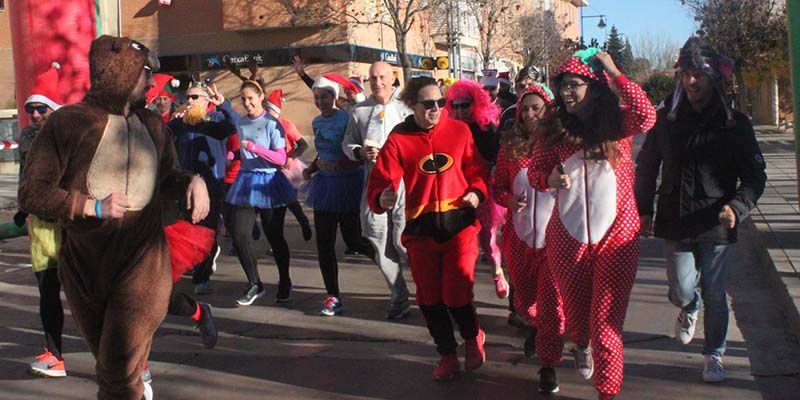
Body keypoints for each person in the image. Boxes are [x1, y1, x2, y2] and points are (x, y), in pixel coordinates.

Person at [18, 35, 210, 400]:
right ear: (120, 72)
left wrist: (193, 180)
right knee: (114, 372)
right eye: (144, 74)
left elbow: (168, 177)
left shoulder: (153, 125)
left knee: (117, 370)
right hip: (85, 266)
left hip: (143, 262)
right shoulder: (68, 124)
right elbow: (31, 193)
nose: (152, 82)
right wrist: (88, 206)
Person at [635, 37, 766, 383]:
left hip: (716, 222)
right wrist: (643, 209)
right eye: (686, 74)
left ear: (714, 79)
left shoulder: (734, 123)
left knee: (715, 290)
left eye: (699, 75)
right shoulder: (667, 118)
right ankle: (688, 307)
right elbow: (647, 165)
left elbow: (755, 176)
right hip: (675, 218)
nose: (691, 82)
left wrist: (737, 207)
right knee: (681, 289)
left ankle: (714, 355)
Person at [527, 48, 656, 400]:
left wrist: (615, 71)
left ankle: (607, 393)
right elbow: (536, 173)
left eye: (574, 85)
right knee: (580, 324)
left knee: (606, 326)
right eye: (562, 86)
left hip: (617, 236)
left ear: (593, 87)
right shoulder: (553, 131)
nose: (566, 92)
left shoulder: (618, 124)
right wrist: (550, 178)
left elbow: (647, 116)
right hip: (567, 240)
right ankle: (579, 344)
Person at [367, 76, 488, 381]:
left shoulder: (460, 131)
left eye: (440, 103)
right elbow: (381, 180)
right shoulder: (399, 138)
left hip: (459, 225)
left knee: (457, 292)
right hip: (421, 228)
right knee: (429, 298)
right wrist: (381, 196)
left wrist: (476, 190)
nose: (436, 109)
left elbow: (477, 169)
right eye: (428, 104)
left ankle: (472, 338)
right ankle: (447, 354)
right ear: (412, 105)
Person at [492, 83, 565, 393]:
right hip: (519, 239)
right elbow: (496, 186)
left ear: (549, 110)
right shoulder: (510, 148)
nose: (531, 114)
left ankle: (549, 366)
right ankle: (536, 327)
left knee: (551, 306)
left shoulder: (563, 144)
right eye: (525, 109)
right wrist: (508, 200)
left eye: (537, 108)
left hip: (555, 241)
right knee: (526, 304)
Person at [340, 61, 412, 320]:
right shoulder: (360, 111)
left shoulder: (407, 108)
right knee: (378, 239)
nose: (377, 82)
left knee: (403, 241)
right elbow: (348, 143)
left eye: (382, 77)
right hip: (375, 181)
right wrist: (361, 151)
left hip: (405, 182)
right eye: (373, 78)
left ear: (393, 78)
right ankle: (399, 295)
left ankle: (431, 290)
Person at [225, 80, 297, 306]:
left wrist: (255, 149)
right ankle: (255, 283)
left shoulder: (272, 123)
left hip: (269, 182)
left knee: (274, 236)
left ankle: (285, 280)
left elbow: (281, 158)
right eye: (243, 99)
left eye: (251, 98)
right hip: (246, 181)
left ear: (261, 97)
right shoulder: (242, 122)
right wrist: (233, 156)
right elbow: (234, 130)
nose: (247, 103)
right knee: (239, 235)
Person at [17, 62, 68, 378]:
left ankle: (124, 357)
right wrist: (24, 208)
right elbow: (27, 178)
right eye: (31, 109)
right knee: (47, 293)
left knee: (90, 295)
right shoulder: (26, 136)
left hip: (69, 224)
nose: (35, 114)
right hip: (40, 226)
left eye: (41, 108)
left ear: (53, 108)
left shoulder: (66, 134)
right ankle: (56, 356)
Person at [303, 75, 367, 316]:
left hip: (348, 185)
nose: (321, 101)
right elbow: (322, 152)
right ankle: (333, 296)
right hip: (325, 187)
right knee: (324, 243)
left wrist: (341, 165)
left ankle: (388, 268)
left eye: (325, 96)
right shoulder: (317, 122)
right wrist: (312, 167)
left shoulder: (348, 119)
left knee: (354, 241)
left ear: (334, 97)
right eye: (317, 97)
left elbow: (356, 152)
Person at [168, 81, 235, 295]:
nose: (189, 101)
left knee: (206, 229)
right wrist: (171, 121)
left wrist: (225, 105)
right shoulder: (182, 123)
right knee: (186, 226)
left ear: (206, 102)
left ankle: (202, 275)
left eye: (195, 97)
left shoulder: (215, 121)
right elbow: (162, 137)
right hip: (185, 184)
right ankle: (193, 263)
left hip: (212, 185)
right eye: (188, 97)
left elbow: (236, 125)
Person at [444, 79, 507, 300]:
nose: (460, 110)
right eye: (455, 105)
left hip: (484, 190)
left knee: (488, 240)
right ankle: (463, 290)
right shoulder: (448, 129)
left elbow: (497, 158)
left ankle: (497, 271)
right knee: (461, 242)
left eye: (465, 105)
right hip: (456, 190)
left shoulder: (486, 129)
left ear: (476, 103)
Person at [264, 89, 313, 241]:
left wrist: (291, 157)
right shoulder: (261, 125)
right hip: (269, 169)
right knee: (276, 206)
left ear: (274, 111)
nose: (265, 113)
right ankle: (276, 240)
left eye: (267, 110)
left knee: (287, 201)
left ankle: (302, 220)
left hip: (286, 168)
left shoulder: (285, 124)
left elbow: (303, 145)